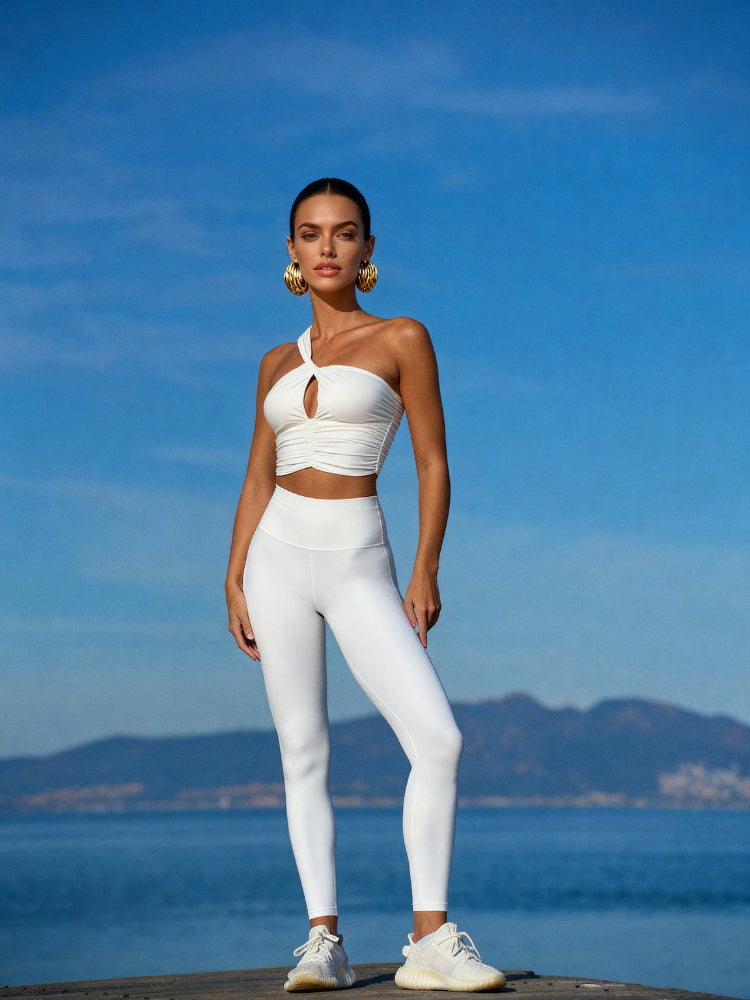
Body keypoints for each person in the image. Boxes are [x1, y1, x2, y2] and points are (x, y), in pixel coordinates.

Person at [225, 178, 505, 993]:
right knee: (302, 750)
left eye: (344, 234)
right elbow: (255, 477)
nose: (326, 248)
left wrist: (427, 565)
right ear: (290, 251)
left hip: (358, 559)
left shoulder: (402, 338)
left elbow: (432, 462)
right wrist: (233, 575)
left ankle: (429, 936)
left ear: (367, 251)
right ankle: (323, 942)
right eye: (310, 234)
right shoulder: (275, 362)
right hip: (275, 555)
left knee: (438, 740)